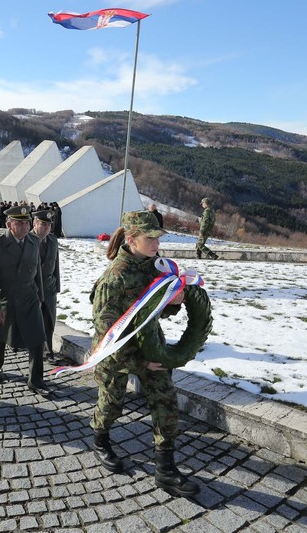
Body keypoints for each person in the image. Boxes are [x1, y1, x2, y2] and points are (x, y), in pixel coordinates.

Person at [89, 210, 199, 497]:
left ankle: (165, 469)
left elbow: (157, 311)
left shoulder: (155, 268)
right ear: (131, 239)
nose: (156, 244)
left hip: (150, 345)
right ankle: (100, 440)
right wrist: (139, 363)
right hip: (116, 352)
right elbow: (105, 332)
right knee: (111, 404)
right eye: (150, 238)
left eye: (158, 238)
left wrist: (174, 302)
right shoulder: (114, 279)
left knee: (166, 400)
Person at [0, 205, 49, 395]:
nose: (24, 227)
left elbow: (37, 270)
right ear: (9, 224)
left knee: (37, 338)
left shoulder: (33, 241)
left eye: (26, 223)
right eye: (19, 223)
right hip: (6, 297)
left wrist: (40, 297)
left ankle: (36, 380)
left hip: (29, 298)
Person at [31, 210, 60, 363]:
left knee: (49, 320)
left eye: (49, 225)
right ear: (34, 224)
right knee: (34, 321)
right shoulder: (27, 240)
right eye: (43, 224)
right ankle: (34, 350)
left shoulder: (53, 240)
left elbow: (56, 265)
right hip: (32, 288)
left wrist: (57, 285)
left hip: (49, 287)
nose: (46, 228)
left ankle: (48, 351)